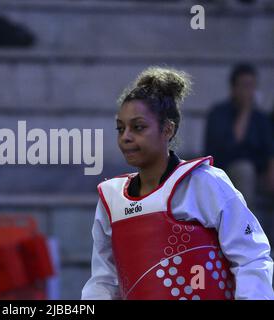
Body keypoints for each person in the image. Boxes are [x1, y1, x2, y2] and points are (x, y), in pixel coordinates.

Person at [81, 67, 274, 300]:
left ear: (167, 129)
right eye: (120, 128)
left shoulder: (205, 182)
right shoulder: (110, 200)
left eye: (138, 127)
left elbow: (251, 257)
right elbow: (103, 281)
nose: (126, 137)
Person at [205, 63, 274, 209]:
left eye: (252, 86)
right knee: (245, 170)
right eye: (245, 85)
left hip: (259, 171)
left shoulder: (261, 118)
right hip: (227, 169)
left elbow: (269, 149)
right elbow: (232, 143)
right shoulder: (219, 113)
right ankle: (247, 228)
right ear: (234, 88)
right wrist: (245, 112)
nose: (249, 91)